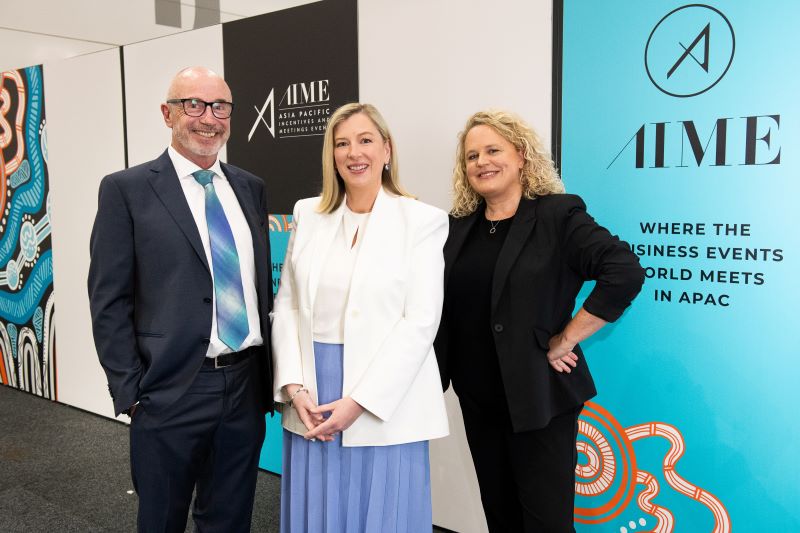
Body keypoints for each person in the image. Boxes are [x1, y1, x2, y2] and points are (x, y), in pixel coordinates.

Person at [434, 110, 645, 532]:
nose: (482, 162)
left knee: (545, 523)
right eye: (472, 155)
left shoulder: (557, 216)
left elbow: (623, 270)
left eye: (493, 150)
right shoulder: (457, 226)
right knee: (501, 515)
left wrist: (568, 336)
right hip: (477, 399)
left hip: (539, 400)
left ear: (522, 156)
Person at [87, 66, 273, 533]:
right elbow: (108, 300)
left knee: (229, 519)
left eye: (220, 106)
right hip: (169, 389)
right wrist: (131, 393)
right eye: (194, 104)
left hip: (244, 385)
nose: (209, 118)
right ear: (167, 113)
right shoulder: (125, 190)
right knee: (161, 519)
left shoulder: (250, 187)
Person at [271, 102, 449, 532]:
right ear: (332, 155)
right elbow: (288, 304)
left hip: (383, 394)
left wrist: (359, 403)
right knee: (319, 508)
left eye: (366, 140)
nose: (355, 153)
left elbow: (421, 322)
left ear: (387, 150)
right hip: (313, 388)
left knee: (382, 509)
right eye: (342, 143)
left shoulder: (423, 220)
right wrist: (294, 386)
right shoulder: (307, 214)